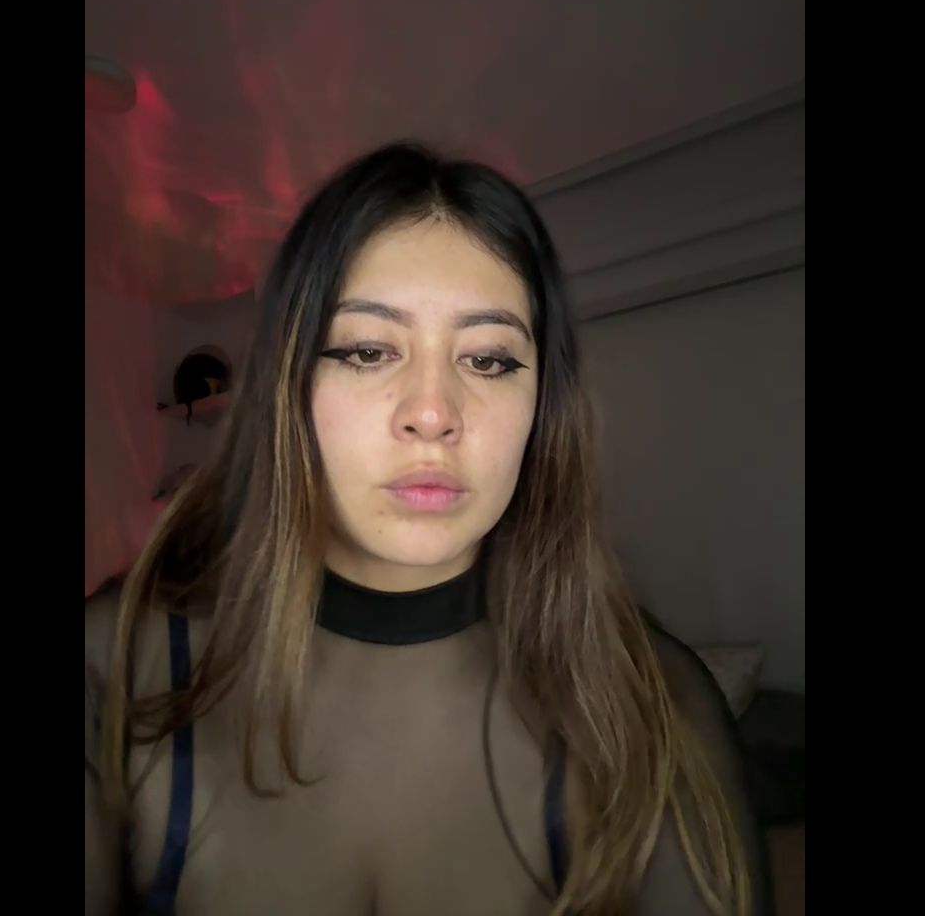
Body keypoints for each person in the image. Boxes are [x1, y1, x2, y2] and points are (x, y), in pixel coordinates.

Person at [85, 142, 769, 915]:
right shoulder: (111, 668)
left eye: (488, 360)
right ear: (287, 385)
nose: (434, 413)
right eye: (369, 350)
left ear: (542, 406)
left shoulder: (656, 701)